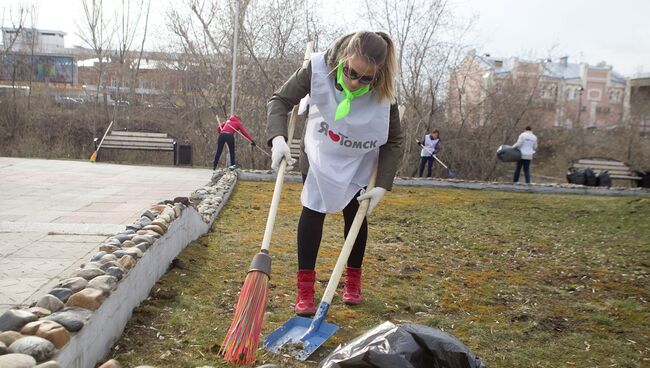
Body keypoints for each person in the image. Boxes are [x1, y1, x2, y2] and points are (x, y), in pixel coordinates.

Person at [267, 31, 403, 316]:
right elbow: (279, 101)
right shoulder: (318, 68)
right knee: (312, 212)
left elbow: (393, 141)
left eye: (365, 79)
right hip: (320, 153)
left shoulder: (385, 93)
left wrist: (382, 184)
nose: (355, 82)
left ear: (377, 76)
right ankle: (305, 288)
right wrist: (278, 138)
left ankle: (352, 280)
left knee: (356, 215)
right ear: (343, 59)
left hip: (358, 159)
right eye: (351, 72)